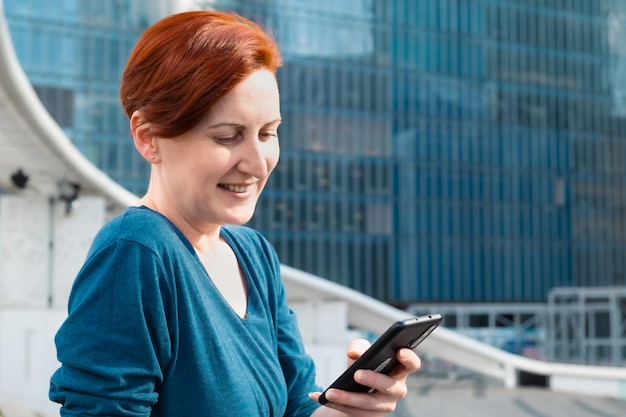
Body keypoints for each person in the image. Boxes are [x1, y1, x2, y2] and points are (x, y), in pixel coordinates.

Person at [49, 10, 421, 417]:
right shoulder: (137, 252)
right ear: (148, 137)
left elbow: (297, 405)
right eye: (228, 137)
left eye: (268, 133)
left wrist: (354, 405)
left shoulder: (254, 255)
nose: (258, 163)